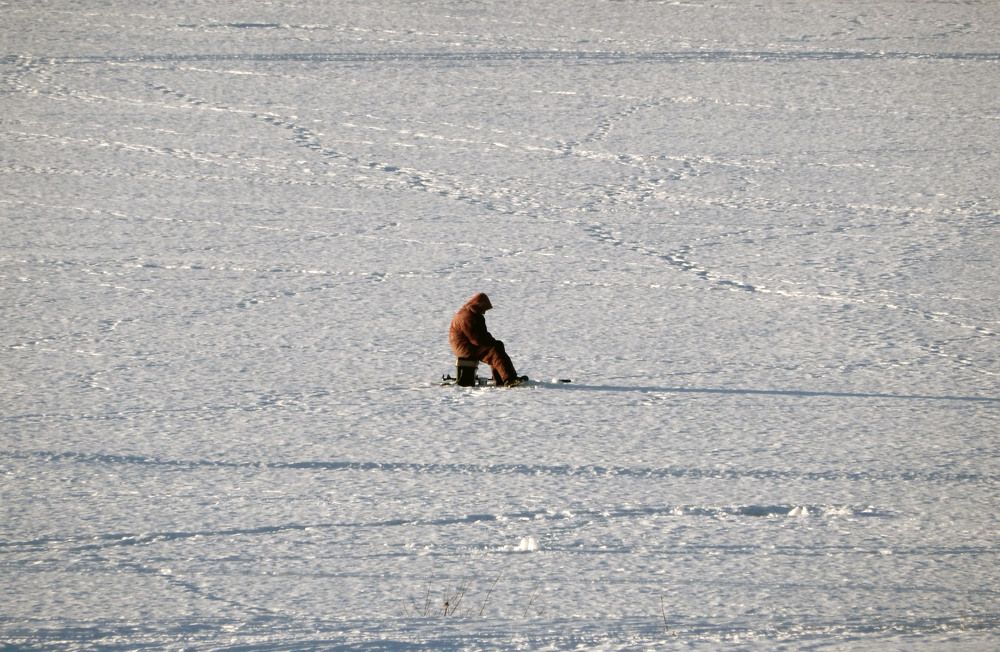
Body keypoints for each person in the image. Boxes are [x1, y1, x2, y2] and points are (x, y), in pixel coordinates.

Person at [448, 292, 526, 386]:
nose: (484, 312)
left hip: (467, 345)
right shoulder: (467, 317)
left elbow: (481, 335)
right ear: (478, 305)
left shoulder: (470, 314)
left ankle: (502, 378)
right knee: (494, 350)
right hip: (466, 348)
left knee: (496, 346)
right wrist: (492, 343)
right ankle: (509, 379)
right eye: (484, 309)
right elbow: (476, 339)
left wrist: (493, 342)